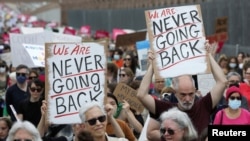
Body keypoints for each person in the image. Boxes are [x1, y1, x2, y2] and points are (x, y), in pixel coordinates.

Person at [137, 41, 227, 140]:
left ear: (195, 90)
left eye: (191, 94)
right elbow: (141, 95)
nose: (188, 99)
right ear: (175, 93)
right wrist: (152, 66)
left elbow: (222, 82)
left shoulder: (204, 105)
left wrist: (208, 56)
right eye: (183, 95)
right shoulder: (165, 108)